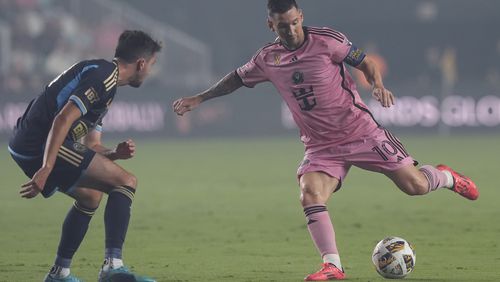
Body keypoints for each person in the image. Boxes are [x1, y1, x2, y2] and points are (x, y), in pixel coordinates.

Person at [172, 0, 479, 281]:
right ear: (271, 25)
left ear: (301, 16)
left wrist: (378, 86)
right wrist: (200, 98)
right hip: (321, 146)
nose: (291, 30)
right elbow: (237, 78)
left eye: (294, 22)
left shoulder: (327, 40)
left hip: (361, 132)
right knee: (310, 193)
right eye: (282, 25)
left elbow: (366, 62)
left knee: (416, 186)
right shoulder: (268, 58)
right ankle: (333, 265)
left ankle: (447, 177)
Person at [8, 30, 161, 282]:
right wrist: (47, 167)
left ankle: (59, 273)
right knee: (126, 181)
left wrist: (114, 153)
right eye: (152, 65)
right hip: (38, 141)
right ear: (141, 63)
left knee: (91, 196)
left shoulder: (106, 83)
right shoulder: (103, 77)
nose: (150, 71)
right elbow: (63, 118)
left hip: (29, 141)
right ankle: (113, 267)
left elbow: (92, 145)